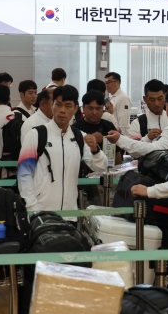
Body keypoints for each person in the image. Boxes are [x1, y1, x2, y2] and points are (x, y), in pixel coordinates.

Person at [18, 85, 107, 217]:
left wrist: (95, 150)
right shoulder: (36, 134)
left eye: (68, 106)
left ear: (76, 108)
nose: (62, 110)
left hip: (70, 213)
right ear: (52, 105)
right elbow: (24, 173)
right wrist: (32, 206)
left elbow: (101, 167)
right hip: (41, 213)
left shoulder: (80, 137)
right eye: (58, 105)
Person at [106, 86, 168, 159]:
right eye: (152, 99)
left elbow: (151, 150)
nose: (157, 104)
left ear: (167, 106)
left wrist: (120, 139)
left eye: (160, 99)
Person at [75, 90, 122, 163]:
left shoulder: (108, 125)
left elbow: (116, 153)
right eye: (90, 108)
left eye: (98, 108)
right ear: (83, 108)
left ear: (103, 108)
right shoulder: (75, 128)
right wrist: (90, 142)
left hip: (107, 171)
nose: (94, 112)